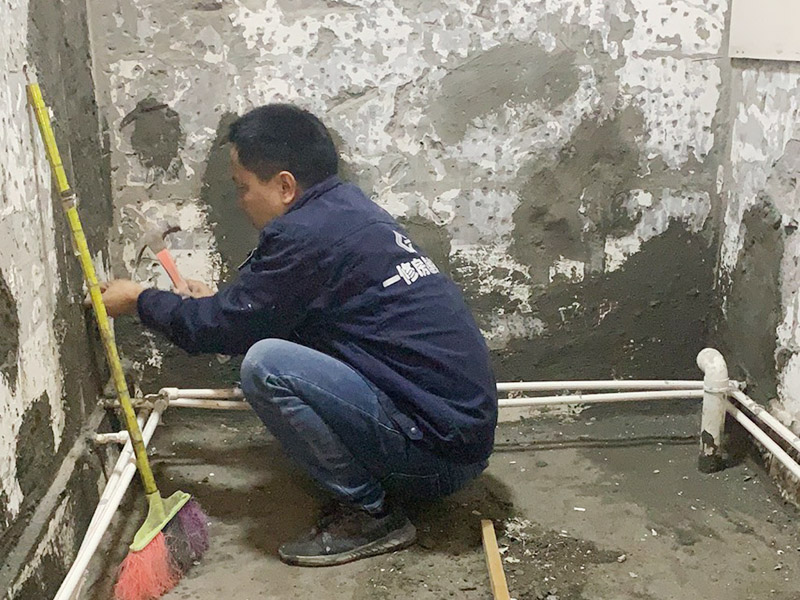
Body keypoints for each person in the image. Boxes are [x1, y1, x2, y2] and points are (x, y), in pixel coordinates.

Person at [98, 104, 497, 567]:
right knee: (274, 351)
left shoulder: (305, 235)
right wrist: (218, 305)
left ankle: (371, 514)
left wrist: (139, 299)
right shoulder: (346, 210)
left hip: (438, 459)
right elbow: (271, 310)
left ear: (285, 186)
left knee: (266, 366)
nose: (240, 201)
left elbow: (224, 328)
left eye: (243, 188)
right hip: (456, 437)